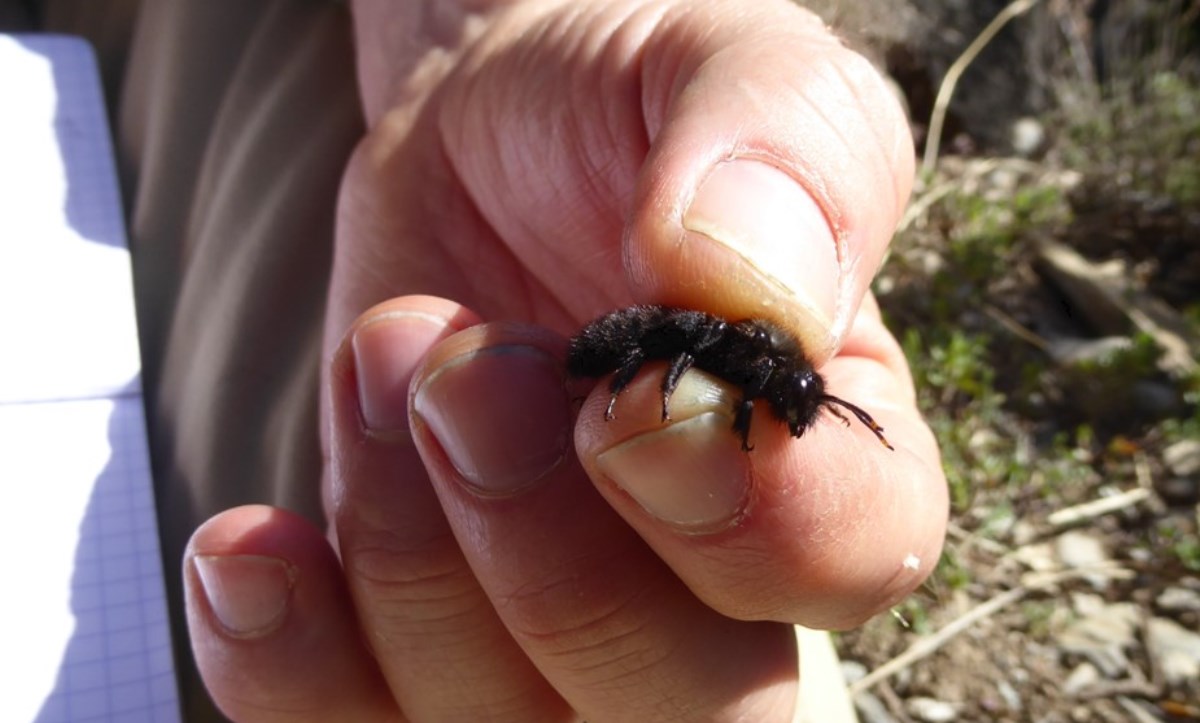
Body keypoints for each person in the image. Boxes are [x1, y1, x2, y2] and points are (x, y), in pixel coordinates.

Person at [19, 0, 948, 720]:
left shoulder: (747, 350)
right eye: (786, 394)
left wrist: (472, 32)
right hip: (613, 343)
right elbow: (683, 359)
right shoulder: (729, 344)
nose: (786, 406)